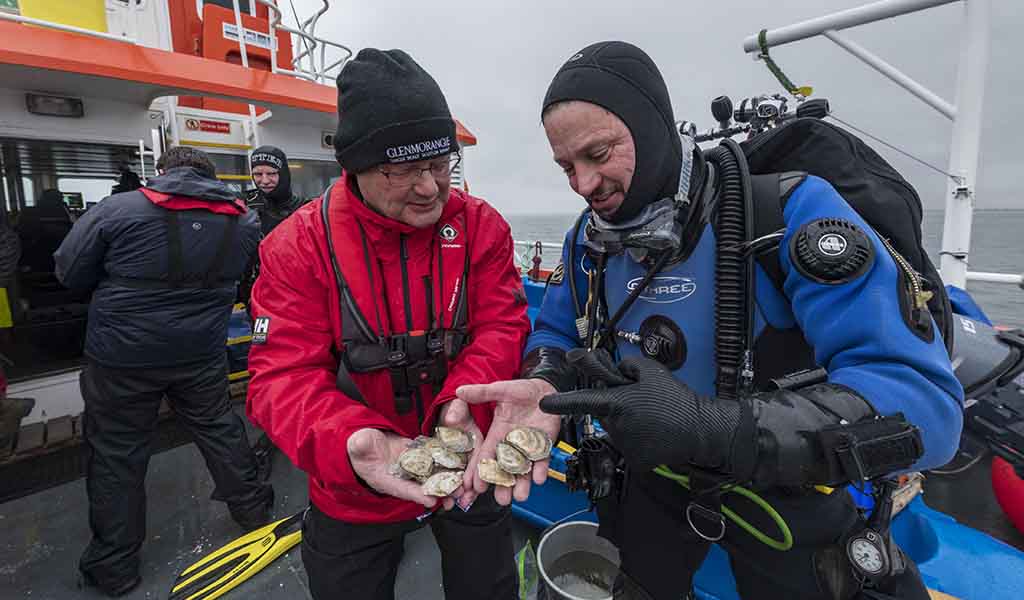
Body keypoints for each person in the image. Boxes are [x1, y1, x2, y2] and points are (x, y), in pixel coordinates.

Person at [457, 41, 964, 600]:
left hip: (786, 489)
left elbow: (930, 411)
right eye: (566, 167)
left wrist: (711, 427)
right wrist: (545, 379)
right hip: (649, 482)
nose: (583, 184)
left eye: (598, 154)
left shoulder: (785, 214)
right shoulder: (588, 242)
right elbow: (555, 331)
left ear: (651, 130)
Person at [245, 48, 531, 600]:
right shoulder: (296, 247)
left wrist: (462, 406)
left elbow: (502, 327)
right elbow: (278, 379)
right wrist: (352, 443)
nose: (429, 187)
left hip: (469, 465)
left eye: (440, 164)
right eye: (401, 170)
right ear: (354, 167)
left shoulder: (482, 228)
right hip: (353, 487)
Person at [54, 146, 274, 597]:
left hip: (121, 357)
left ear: (162, 172)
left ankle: (115, 567)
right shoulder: (243, 221)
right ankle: (253, 511)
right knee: (220, 428)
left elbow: (69, 271)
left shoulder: (118, 208)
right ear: (209, 176)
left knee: (116, 453)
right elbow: (247, 273)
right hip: (200, 350)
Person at [238, 145, 310, 304]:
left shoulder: (304, 209)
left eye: (271, 173)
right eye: (257, 174)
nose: (264, 180)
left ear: (283, 174)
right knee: (260, 330)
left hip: (297, 296)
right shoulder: (246, 207)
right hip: (258, 298)